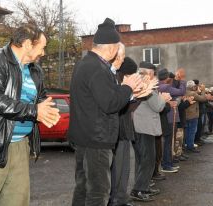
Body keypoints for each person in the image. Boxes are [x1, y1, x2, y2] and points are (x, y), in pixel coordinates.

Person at [69, 18, 145, 206]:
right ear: (111, 48)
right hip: (97, 139)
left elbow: (102, 99)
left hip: (85, 138)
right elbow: (110, 103)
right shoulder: (97, 68)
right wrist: (128, 87)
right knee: (98, 192)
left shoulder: (85, 64)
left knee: (83, 188)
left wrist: (127, 92)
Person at [0, 24, 60, 206]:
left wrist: (47, 110)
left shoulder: (35, 70)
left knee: (16, 201)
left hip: (20, 145)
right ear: (27, 44)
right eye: (42, 46)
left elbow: (41, 99)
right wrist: (34, 111)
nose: (44, 52)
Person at [130, 62, 171, 202]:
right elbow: (158, 107)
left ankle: (143, 186)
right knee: (148, 160)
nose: (154, 76)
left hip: (139, 127)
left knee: (142, 159)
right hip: (144, 128)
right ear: (146, 73)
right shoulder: (145, 85)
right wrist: (164, 99)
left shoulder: (138, 83)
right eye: (152, 73)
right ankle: (139, 190)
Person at [109, 56, 138, 206]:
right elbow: (119, 108)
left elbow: (129, 109)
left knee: (124, 169)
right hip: (117, 133)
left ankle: (121, 198)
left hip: (125, 131)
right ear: (123, 74)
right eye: (129, 74)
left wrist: (139, 96)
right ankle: (114, 199)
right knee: (117, 170)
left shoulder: (122, 84)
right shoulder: (114, 82)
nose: (131, 77)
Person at [157, 68, 186, 173]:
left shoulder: (158, 85)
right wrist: (182, 79)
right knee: (168, 142)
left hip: (164, 117)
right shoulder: (166, 87)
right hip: (169, 117)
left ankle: (168, 162)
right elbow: (182, 91)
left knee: (167, 142)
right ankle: (167, 164)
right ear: (167, 77)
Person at [185, 80, 209, 153]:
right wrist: (203, 90)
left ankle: (187, 145)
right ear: (193, 86)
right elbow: (203, 99)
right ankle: (190, 146)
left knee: (187, 131)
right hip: (193, 115)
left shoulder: (185, 92)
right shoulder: (193, 93)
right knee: (192, 131)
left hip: (186, 115)